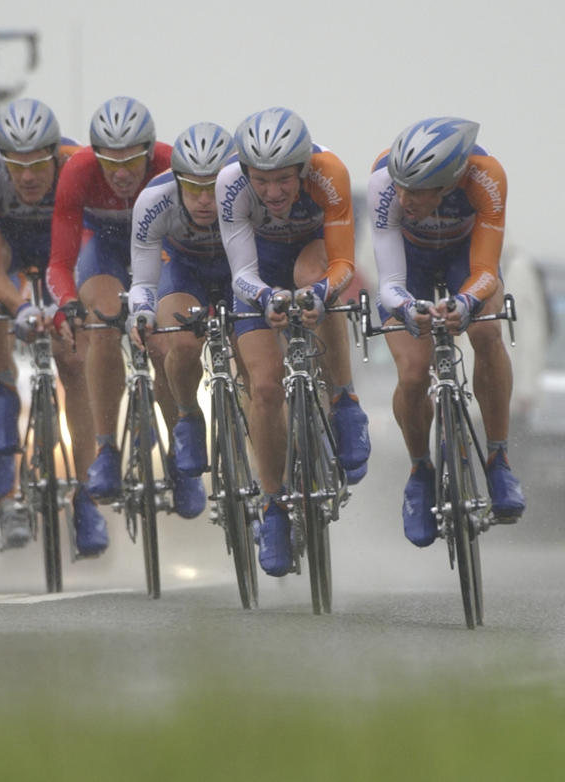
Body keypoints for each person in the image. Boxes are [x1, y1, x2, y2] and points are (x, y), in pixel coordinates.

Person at [216, 106, 371, 577]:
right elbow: (241, 272)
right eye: (261, 181)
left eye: (284, 179)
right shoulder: (229, 185)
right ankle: (274, 505)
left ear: (302, 169)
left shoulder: (330, 173)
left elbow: (343, 262)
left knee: (312, 275)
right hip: (258, 275)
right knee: (263, 389)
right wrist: (266, 297)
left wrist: (320, 293)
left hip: (314, 255)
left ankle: (343, 399)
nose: (273, 191)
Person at [367, 116, 525, 547]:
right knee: (414, 372)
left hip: (465, 258)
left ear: (452, 181)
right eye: (400, 186)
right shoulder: (384, 181)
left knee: (487, 334)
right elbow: (389, 279)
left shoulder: (486, 176)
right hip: (409, 268)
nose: (404, 197)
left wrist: (466, 303)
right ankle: (420, 470)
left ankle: (498, 457)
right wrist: (405, 307)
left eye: (417, 190)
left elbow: (485, 270)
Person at [0, 97, 105, 555]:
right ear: (2, 160)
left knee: (74, 366)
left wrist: (66, 310)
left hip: (60, 250)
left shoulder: (78, 167)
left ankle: (87, 500)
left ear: (55, 157)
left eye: (38, 165)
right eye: (16, 166)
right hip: (6, 250)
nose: (26, 177)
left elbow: (84, 257)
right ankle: (3, 385)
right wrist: (21, 307)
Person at [45, 96, 173, 550]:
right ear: (96, 156)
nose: (120, 173)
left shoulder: (170, 165)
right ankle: (106, 449)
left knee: (164, 339)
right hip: (105, 251)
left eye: (131, 161)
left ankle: (181, 449)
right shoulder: (78, 172)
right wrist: (65, 305)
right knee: (99, 324)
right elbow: (60, 261)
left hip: (160, 252)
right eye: (110, 162)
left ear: (149, 152)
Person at [127, 122, 237, 518]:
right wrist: (140, 313)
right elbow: (143, 281)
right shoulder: (155, 199)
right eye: (193, 188)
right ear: (177, 182)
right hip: (183, 271)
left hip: (238, 272)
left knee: (263, 372)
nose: (204, 200)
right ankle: (188, 416)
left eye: (213, 188)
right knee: (182, 345)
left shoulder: (248, 194)